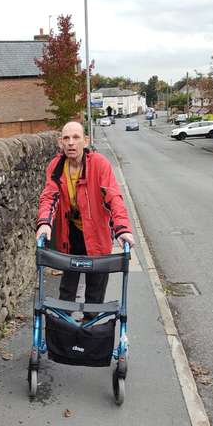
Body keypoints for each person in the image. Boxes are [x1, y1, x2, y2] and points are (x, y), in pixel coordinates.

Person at [35, 121, 134, 306]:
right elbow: (49, 196)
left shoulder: (99, 164)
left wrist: (122, 229)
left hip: (96, 236)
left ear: (85, 141)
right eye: (66, 138)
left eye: (76, 137)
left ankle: (90, 330)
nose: (71, 143)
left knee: (95, 295)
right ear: (60, 143)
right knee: (67, 291)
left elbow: (113, 198)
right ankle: (66, 331)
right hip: (71, 236)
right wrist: (44, 223)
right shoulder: (56, 166)